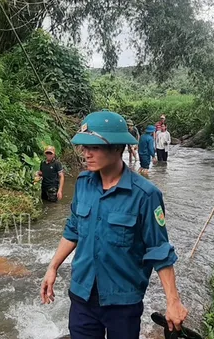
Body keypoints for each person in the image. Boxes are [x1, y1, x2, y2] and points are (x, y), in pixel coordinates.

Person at [40, 109, 188, 339]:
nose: (86, 154)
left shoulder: (146, 195)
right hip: (82, 294)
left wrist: (173, 301)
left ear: (117, 148)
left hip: (123, 301)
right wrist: (52, 268)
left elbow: (159, 251)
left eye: (94, 147)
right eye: (84, 147)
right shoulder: (83, 184)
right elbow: (73, 229)